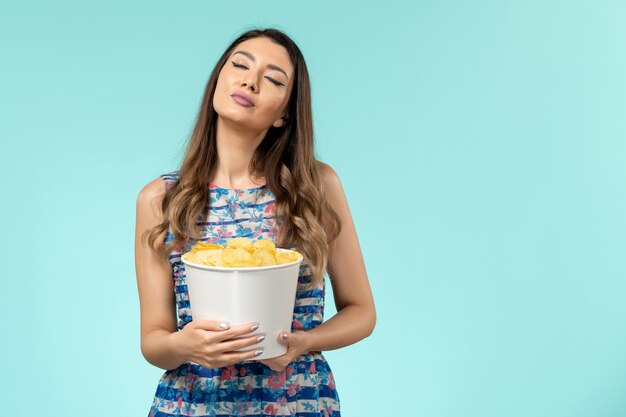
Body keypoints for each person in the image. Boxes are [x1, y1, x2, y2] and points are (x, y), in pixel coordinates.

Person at [134, 27, 376, 417]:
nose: (250, 80)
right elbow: (153, 341)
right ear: (218, 80)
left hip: (296, 401)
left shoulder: (317, 186)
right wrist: (187, 346)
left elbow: (362, 311)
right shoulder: (160, 200)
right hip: (194, 403)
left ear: (284, 113)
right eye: (240, 65)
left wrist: (303, 341)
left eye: (274, 79)